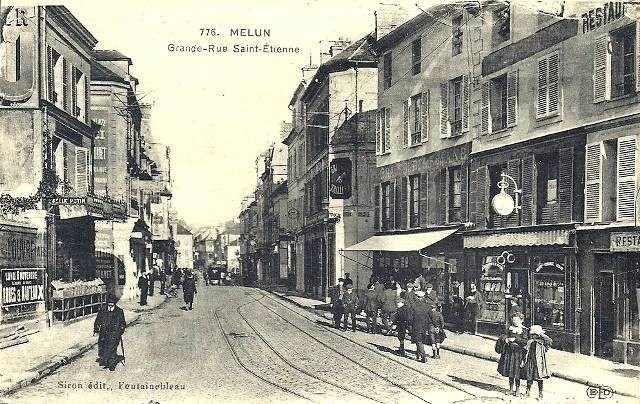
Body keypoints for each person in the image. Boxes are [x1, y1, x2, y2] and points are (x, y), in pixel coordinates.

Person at [497, 314, 528, 396]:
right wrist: (506, 339)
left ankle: (517, 390)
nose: (514, 322)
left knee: (517, 371)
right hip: (509, 352)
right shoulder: (510, 328)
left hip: (518, 353)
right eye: (513, 320)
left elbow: (525, 342)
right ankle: (511, 389)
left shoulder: (524, 330)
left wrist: (515, 339)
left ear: (521, 320)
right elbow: (503, 335)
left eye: (516, 320)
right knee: (510, 370)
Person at [93, 294, 126, 371]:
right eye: (109, 304)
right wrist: (96, 330)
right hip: (104, 332)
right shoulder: (103, 310)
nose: (110, 306)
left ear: (115, 303)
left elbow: (122, 323)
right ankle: (105, 360)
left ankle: (111, 364)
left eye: (112, 304)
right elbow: (98, 320)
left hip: (114, 333)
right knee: (103, 346)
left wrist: (120, 331)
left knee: (112, 348)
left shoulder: (119, 311)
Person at [522, 325, 552, 400]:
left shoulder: (542, 343)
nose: (533, 336)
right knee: (529, 377)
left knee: (539, 378)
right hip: (530, 361)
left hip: (539, 362)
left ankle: (540, 394)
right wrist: (523, 360)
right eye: (532, 335)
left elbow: (549, 341)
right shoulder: (530, 342)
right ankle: (527, 391)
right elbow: (525, 351)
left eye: (535, 335)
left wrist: (541, 334)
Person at [411, 290, 431, 363]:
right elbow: (431, 317)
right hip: (424, 327)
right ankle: (418, 354)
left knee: (418, 341)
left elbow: (410, 317)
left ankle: (423, 356)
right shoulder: (427, 306)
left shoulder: (413, 306)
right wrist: (435, 326)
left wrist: (409, 326)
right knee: (420, 340)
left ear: (417, 297)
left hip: (416, 326)